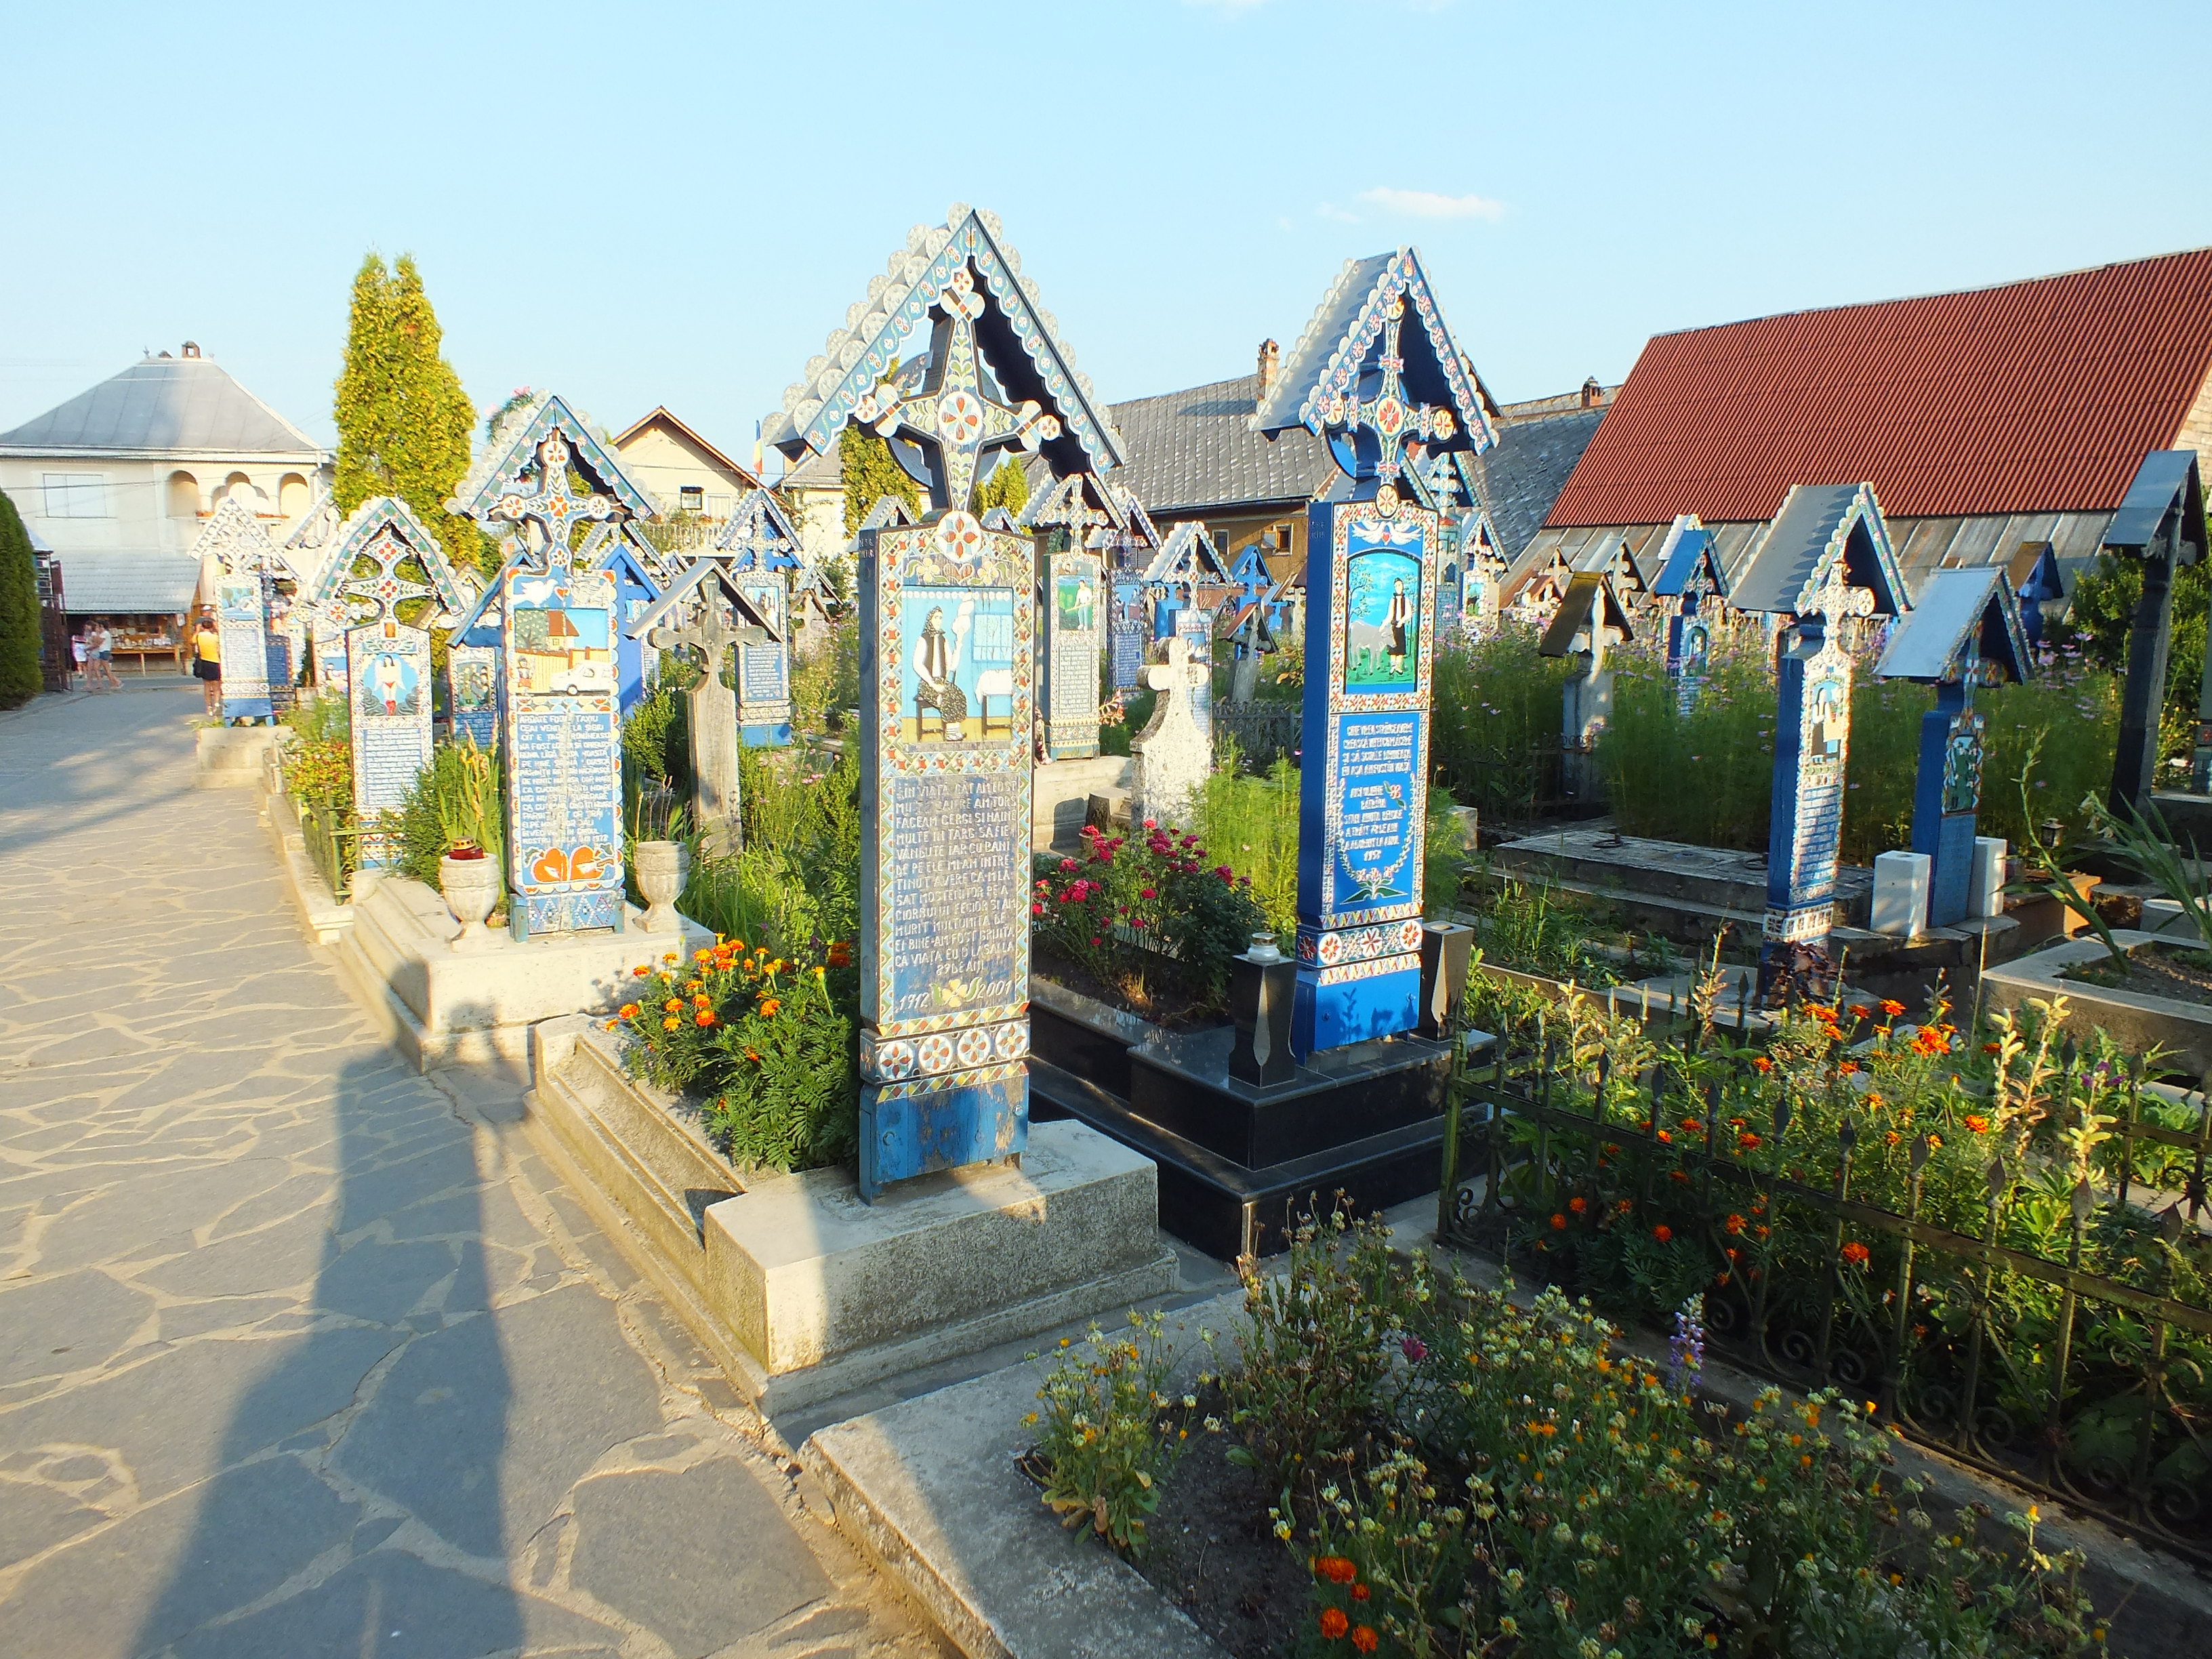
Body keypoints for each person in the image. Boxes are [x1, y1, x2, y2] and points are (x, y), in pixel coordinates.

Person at [190, 613, 223, 717]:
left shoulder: (199, 637)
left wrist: (197, 631)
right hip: (215, 662)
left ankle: (209, 707)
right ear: (212, 627)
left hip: (204, 662)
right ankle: (217, 704)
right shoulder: (216, 637)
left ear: (202, 627)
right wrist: (217, 629)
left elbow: (192, 641)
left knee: (207, 686)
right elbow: (222, 643)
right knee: (217, 686)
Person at [69, 628, 89, 692]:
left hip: (78, 650)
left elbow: (73, 645)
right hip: (82, 650)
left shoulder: (74, 637)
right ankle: (85, 674)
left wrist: (73, 651)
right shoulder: (84, 638)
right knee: (84, 664)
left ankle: (81, 673)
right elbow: (87, 643)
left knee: (79, 663)